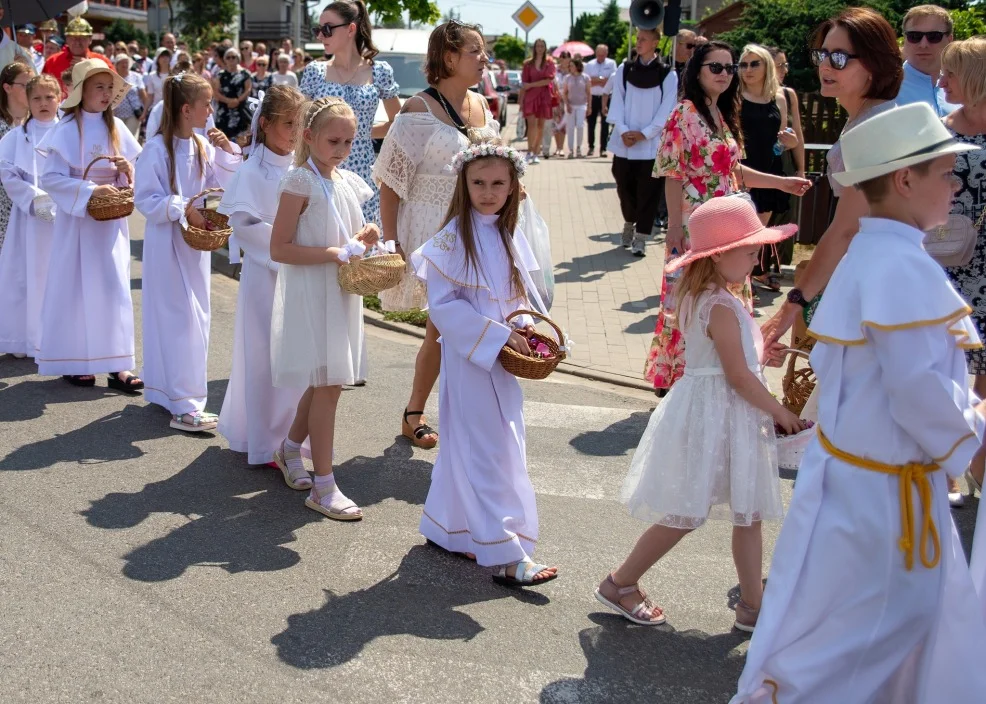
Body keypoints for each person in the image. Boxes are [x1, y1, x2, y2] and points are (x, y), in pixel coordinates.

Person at [732, 101, 986, 704]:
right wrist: (976, 437)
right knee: (864, 641)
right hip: (886, 502)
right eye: (946, 172)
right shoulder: (900, 267)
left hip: (861, 483)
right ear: (904, 180)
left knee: (851, 633)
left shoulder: (873, 255)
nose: (955, 185)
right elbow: (919, 390)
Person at [596, 196, 802, 628]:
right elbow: (737, 378)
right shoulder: (721, 305)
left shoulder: (708, 296)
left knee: (748, 512)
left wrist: (762, 353)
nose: (757, 257)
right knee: (689, 511)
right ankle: (621, 582)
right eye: (750, 251)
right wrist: (780, 411)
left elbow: (729, 362)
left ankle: (752, 605)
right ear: (721, 255)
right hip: (721, 415)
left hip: (721, 413)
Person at [410, 142, 558, 586]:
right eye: (479, 183)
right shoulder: (453, 239)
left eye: (498, 183)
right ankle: (506, 554)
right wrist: (498, 335)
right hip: (472, 360)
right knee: (488, 450)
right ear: (464, 183)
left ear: (514, 186)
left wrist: (527, 328)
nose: (488, 192)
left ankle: (448, 527)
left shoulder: (507, 233)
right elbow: (444, 308)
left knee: (478, 444)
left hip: (502, 361)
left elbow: (518, 299)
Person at [644, 41, 810, 391]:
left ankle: (726, 373)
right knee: (692, 298)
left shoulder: (722, 115)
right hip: (697, 223)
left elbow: (735, 171)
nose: (724, 74)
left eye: (729, 68)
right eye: (715, 67)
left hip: (729, 221)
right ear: (697, 72)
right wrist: (674, 226)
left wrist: (783, 183)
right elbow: (673, 173)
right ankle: (682, 379)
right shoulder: (684, 112)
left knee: (728, 295)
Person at [374, 20, 501, 449]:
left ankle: (433, 412)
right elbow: (390, 181)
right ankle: (418, 412)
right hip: (435, 232)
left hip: (481, 230)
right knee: (441, 327)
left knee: (467, 323)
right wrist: (392, 241)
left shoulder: (483, 105)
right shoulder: (417, 110)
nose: (484, 59)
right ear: (449, 57)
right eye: (475, 51)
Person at [760, 7, 904, 355]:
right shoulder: (868, 118)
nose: (825, 65)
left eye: (839, 57)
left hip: (876, 283)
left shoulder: (873, 128)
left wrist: (788, 309)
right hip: (871, 275)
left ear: (875, 63)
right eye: (822, 54)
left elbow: (846, 228)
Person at [269, 97, 379, 520]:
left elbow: (345, 235)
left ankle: (290, 448)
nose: (342, 148)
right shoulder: (300, 181)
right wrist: (334, 252)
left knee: (324, 380)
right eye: (334, 140)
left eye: (350, 141)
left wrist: (363, 236)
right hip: (313, 292)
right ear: (309, 136)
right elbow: (280, 247)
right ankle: (324, 485)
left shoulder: (347, 181)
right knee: (329, 383)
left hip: (340, 292)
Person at [134, 73, 241, 432]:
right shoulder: (155, 149)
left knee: (196, 317)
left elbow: (226, 183)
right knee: (178, 319)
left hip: (195, 246)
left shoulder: (200, 145)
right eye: (207, 103)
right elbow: (146, 199)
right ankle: (185, 405)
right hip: (167, 246)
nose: (212, 109)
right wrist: (183, 208)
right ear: (186, 109)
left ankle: (170, 393)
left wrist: (227, 151)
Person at [217, 85, 309, 474]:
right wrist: (282, 251)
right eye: (288, 123)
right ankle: (265, 439)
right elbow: (244, 223)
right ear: (266, 124)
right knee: (263, 356)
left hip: (300, 273)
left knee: (296, 357)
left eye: (301, 124)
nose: (294, 131)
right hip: (267, 275)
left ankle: (292, 436)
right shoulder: (251, 170)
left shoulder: (302, 168)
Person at [37, 59, 143, 391]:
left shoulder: (118, 128)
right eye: (100, 86)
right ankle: (75, 361)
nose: (106, 93)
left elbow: (131, 177)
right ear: (81, 91)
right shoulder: (66, 129)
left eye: (110, 88)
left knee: (113, 289)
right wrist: (89, 190)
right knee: (76, 290)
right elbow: (51, 178)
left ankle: (118, 364)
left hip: (109, 224)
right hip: (78, 224)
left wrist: (126, 172)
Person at [935, 37, 986, 508]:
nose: (941, 80)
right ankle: (946, 473)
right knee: (948, 371)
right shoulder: (937, 128)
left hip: (985, 267)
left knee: (983, 376)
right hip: (944, 267)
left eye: (950, 72)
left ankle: (977, 470)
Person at [300, 0, 400, 226]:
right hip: (320, 167)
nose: (320, 36)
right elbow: (299, 123)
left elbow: (397, 122)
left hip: (362, 170)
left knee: (360, 241)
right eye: (318, 30)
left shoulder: (380, 71)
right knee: (323, 236)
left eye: (327, 29)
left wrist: (362, 134)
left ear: (350, 29)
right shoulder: (315, 72)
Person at [0, 74, 60, 358]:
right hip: (29, 218)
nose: (43, 103)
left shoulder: (69, 134)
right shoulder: (16, 136)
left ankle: (58, 337)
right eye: (36, 97)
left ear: (60, 99)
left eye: (49, 97)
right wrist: (36, 199)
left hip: (64, 220)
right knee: (26, 276)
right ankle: (25, 338)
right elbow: (8, 174)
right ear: (27, 100)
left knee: (58, 277)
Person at [607, 27, 678, 257]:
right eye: (637, 39)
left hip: (650, 144)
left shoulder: (667, 74)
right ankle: (629, 221)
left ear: (656, 42)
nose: (638, 43)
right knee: (623, 187)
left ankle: (641, 237)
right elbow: (617, 101)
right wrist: (625, 131)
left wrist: (644, 133)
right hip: (624, 142)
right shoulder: (624, 69)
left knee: (649, 193)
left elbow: (666, 109)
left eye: (644, 39)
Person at [738, 44, 797, 293]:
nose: (748, 69)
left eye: (754, 64)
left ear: (767, 66)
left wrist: (789, 143)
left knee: (756, 237)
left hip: (769, 173)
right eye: (743, 64)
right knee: (738, 236)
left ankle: (745, 286)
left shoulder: (779, 98)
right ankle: (735, 286)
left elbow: (779, 142)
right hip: (740, 172)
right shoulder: (733, 96)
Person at [896, 4, 957, 116]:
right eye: (914, 36)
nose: (923, 45)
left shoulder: (964, 87)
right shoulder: (888, 91)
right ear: (905, 39)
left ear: (949, 40)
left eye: (934, 36)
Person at [0, 62, 33, 254]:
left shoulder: (38, 123)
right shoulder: (2, 126)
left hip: (32, 204)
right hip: (4, 204)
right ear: (7, 87)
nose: (31, 90)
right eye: (25, 85)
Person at [42, 17, 112, 96]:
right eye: (73, 38)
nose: (77, 42)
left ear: (90, 39)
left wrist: (90, 68)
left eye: (82, 38)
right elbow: (41, 89)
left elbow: (116, 89)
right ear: (67, 39)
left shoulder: (103, 62)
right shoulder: (52, 61)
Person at [520, 38, 554, 163]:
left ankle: (536, 153)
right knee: (531, 125)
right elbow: (524, 82)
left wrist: (531, 85)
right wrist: (522, 96)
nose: (540, 48)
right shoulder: (528, 63)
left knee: (541, 126)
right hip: (530, 97)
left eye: (542, 46)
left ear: (545, 48)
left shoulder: (549, 63)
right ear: (534, 48)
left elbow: (548, 80)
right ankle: (529, 151)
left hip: (544, 96)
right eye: (537, 46)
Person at [584, 43, 617, 157]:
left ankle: (603, 148)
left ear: (606, 54)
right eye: (599, 55)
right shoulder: (590, 64)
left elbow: (611, 80)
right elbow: (588, 82)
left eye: (603, 55)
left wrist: (596, 80)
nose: (601, 57)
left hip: (606, 97)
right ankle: (591, 147)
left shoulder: (611, 63)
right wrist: (601, 80)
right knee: (591, 123)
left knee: (605, 124)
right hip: (592, 97)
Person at [213, 49, 253, 141]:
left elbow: (248, 90)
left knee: (241, 139)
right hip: (224, 109)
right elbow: (215, 92)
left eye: (233, 57)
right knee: (224, 138)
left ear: (238, 58)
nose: (231, 59)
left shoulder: (245, 73)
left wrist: (237, 101)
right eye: (228, 57)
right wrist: (228, 101)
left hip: (240, 109)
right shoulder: (220, 74)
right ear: (224, 59)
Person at [563, 57, 591, 158]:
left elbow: (588, 92)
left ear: (577, 66)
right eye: (569, 66)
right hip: (571, 105)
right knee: (570, 127)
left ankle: (579, 148)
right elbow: (565, 93)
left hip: (582, 105)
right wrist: (567, 104)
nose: (570, 67)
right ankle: (571, 150)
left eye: (572, 66)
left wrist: (589, 106)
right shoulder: (567, 78)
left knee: (580, 126)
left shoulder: (585, 77)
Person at [112, 53, 146, 136]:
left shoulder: (136, 76)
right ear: (117, 65)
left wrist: (144, 112)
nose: (124, 64)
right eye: (122, 62)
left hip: (133, 114)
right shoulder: (112, 78)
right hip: (117, 115)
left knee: (131, 137)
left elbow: (143, 95)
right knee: (119, 139)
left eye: (126, 62)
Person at [547, 51, 570, 157]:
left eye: (567, 57)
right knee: (556, 123)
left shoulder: (572, 70)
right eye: (563, 57)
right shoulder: (555, 70)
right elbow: (551, 82)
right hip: (556, 100)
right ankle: (557, 148)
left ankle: (561, 147)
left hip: (568, 101)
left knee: (564, 125)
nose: (565, 59)